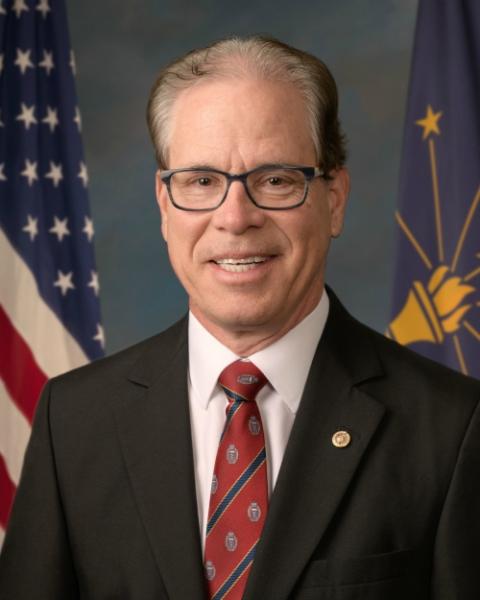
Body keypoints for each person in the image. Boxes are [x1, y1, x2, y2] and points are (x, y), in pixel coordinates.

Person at [0, 35, 479, 600]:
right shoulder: (74, 421)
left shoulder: (452, 429)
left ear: (335, 199)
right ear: (163, 204)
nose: (234, 217)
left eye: (274, 179)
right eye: (201, 181)